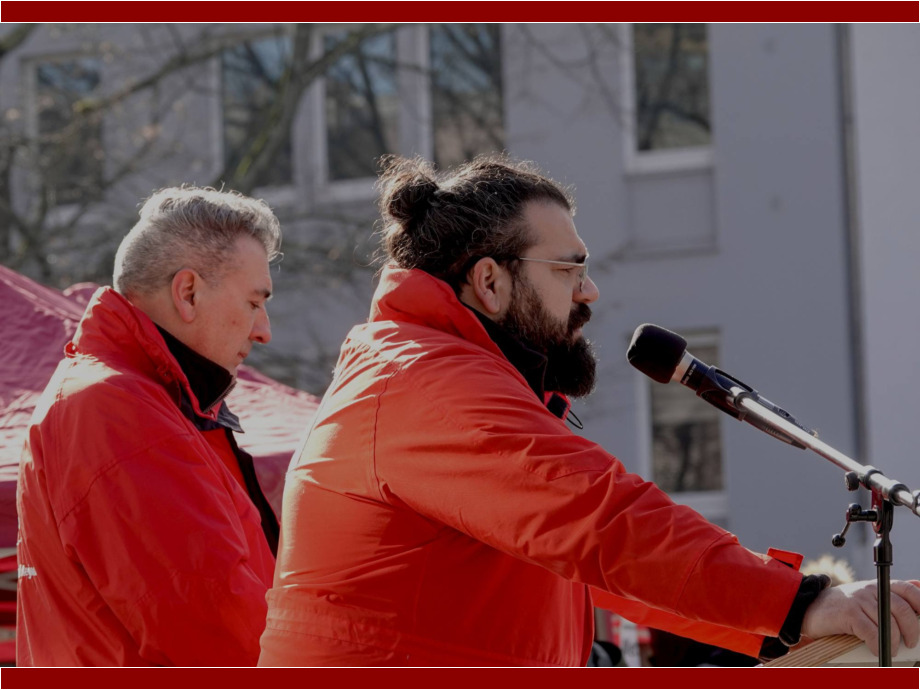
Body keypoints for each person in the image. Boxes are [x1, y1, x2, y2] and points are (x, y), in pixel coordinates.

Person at [258, 155, 920, 667]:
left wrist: (782, 617)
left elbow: (606, 566)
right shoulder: (425, 382)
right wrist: (801, 605)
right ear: (489, 281)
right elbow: (604, 523)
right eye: (569, 270)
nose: (590, 292)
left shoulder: (433, 369)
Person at [16, 186, 282, 666]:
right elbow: (218, 634)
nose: (264, 330)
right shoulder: (116, 409)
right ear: (188, 292)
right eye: (254, 302)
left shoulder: (129, 400)